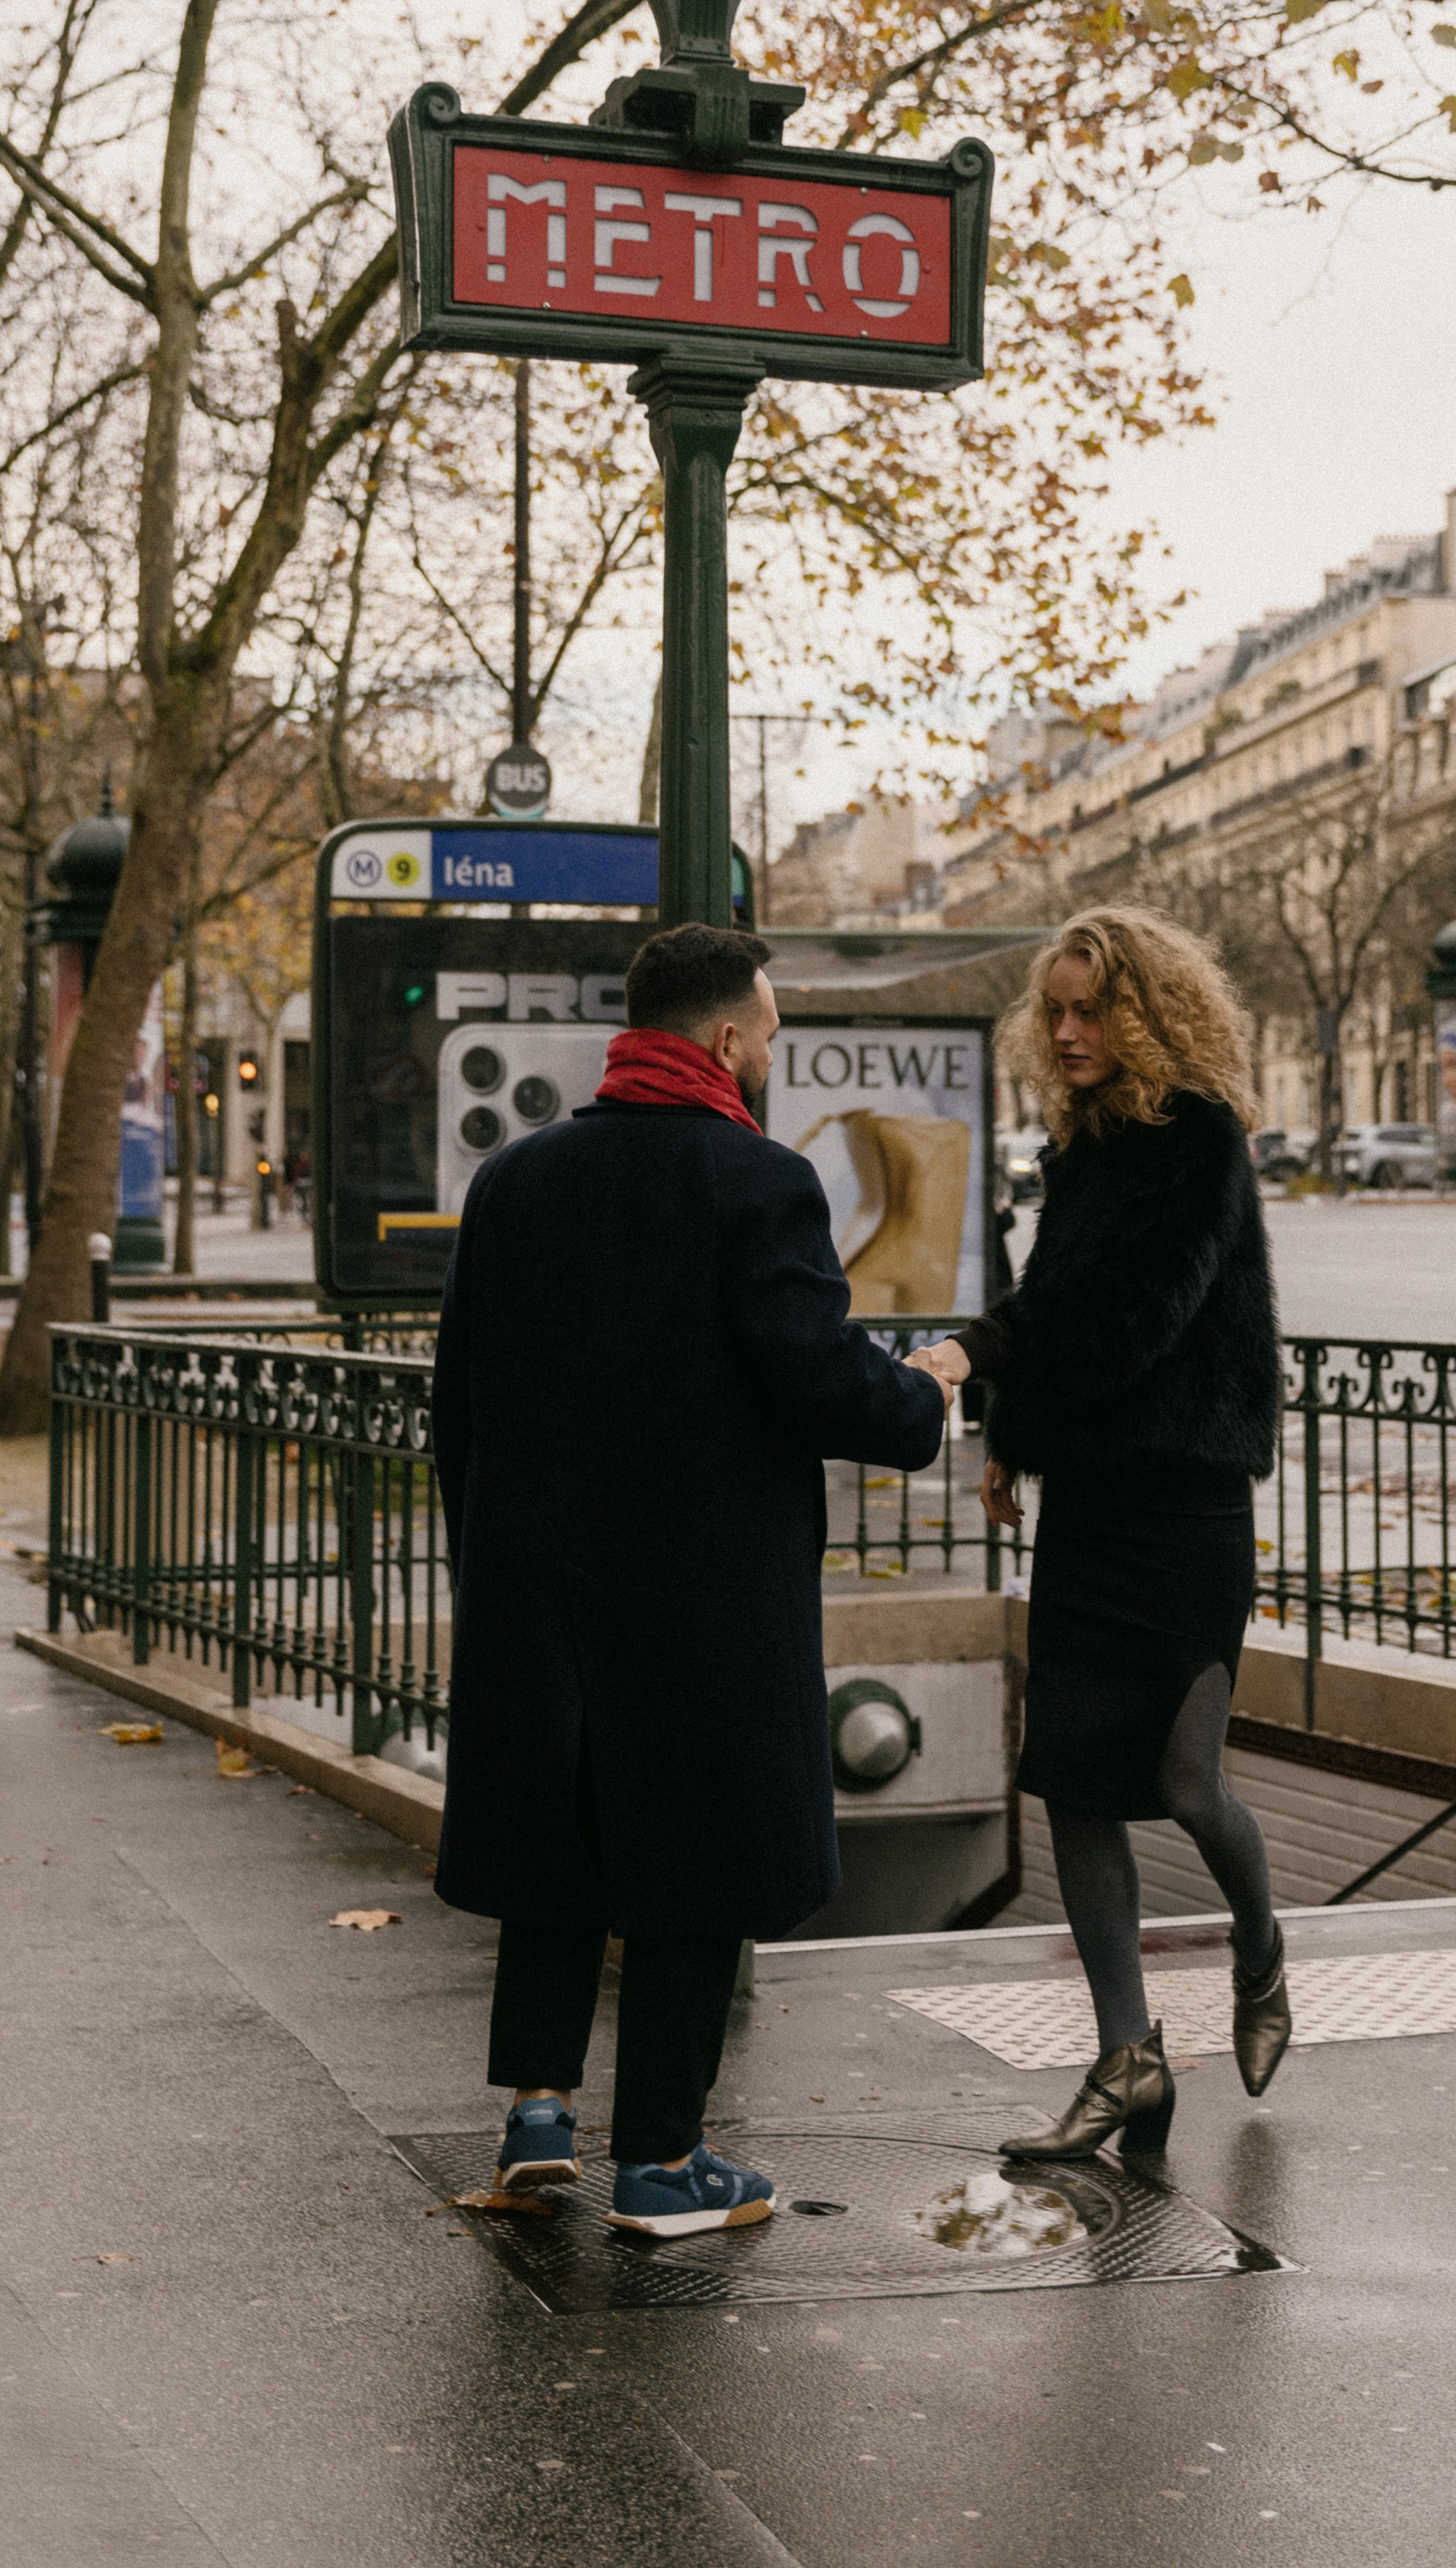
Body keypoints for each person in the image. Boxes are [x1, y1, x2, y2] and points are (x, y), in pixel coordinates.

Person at [430, 919, 951, 2239]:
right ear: (725, 1036)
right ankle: (663, 2162)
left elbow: (458, 1406)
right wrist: (927, 1391)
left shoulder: (516, 1181)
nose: (774, 1052)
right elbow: (815, 1371)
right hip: (701, 1598)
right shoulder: (755, 1179)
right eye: (770, 1030)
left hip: (539, 1583)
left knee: (560, 1838)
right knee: (693, 1863)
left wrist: (491, 1551)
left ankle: (539, 2115)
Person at [916, 905, 1290, 2160]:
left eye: (1091, 1010)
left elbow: (1124, 1315)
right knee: (1073, 1782)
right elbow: (1056, 1303)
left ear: (1146, 1014)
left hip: (1183, 1508)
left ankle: (1260, 1946)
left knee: (1187, 1780)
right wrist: (1009, 1429)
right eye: (1056, 1011)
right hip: (1091, 1509)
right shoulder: (1075, 1153)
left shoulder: (1197, 1146)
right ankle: (1127, 2056)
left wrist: (983, 1357)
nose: (1068, 1032)